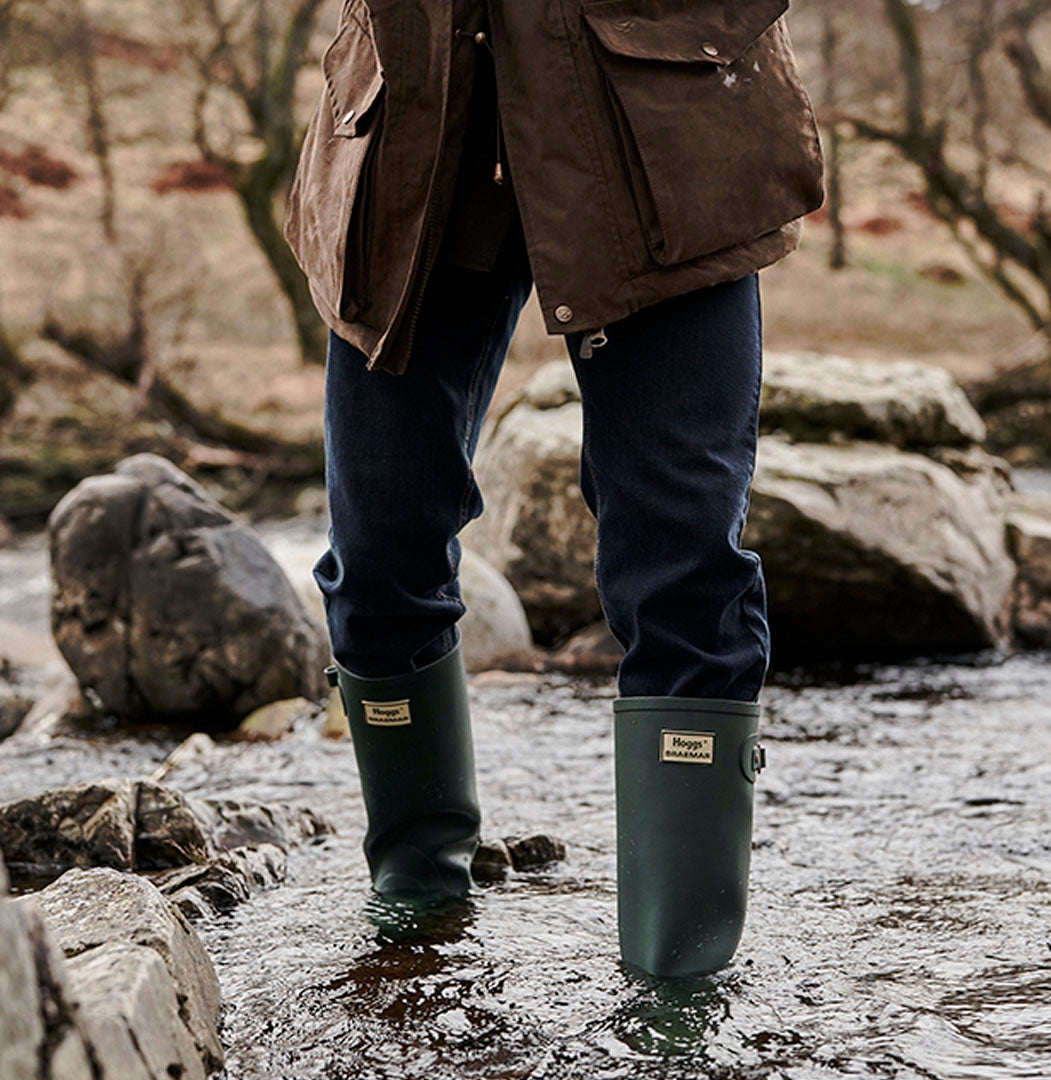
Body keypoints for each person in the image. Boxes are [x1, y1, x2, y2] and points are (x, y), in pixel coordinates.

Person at [284, 0, 824, 978]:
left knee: (683, 565)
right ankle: (418, 913)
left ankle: (680, 986)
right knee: (379, 549)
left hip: (663, 122)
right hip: (411, 131)